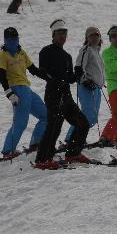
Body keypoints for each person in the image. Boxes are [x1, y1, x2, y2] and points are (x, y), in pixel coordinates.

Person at [34, 20, 90, 170]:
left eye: (64, 33)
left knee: (83, 123)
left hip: (66, 95)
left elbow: (70, 78)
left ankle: (73, 153)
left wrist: (77, 74)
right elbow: (42, 72)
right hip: (53, 94)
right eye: (59, 33)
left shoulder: (67, 56)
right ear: (53, 35)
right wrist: (55, 81)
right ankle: (42, 159)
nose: (62, 36)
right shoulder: (46, 51)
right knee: (54, 126)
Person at [0, 27, 49, 160]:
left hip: (26, 89)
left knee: (45, 115)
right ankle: (8, 151)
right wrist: (9, 93)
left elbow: (33, 69)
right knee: (20, 122)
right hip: (16, 89)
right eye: (10, 39)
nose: (13, 42)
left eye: (15, 38)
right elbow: (2, 76)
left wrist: (49, 77)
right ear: (5, 40)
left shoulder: (21, 52)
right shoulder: (3, 55)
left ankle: (36, 143)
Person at [65, 27, 105, 144]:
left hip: (96, 88)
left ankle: (76, 138)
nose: (94, 38)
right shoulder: (86, 49)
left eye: (96, 35)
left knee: (92, 118)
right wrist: (84, 80)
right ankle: (71, 140)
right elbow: (78, 67)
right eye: (91, 36)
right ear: (87, 38)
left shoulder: (97, 52)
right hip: (87, 86)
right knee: (87, 115)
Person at [100, 25, 117, 151]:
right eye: (114, 36)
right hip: (116, 87)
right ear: (110, 39)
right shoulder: (107, 52)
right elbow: (113, 67)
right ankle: (107, 137)